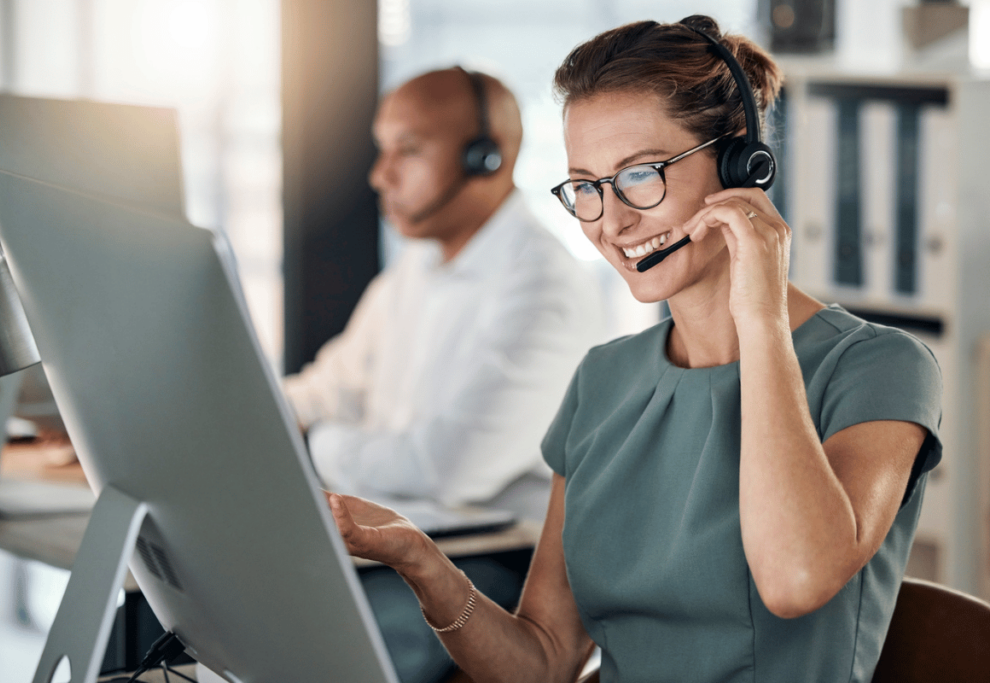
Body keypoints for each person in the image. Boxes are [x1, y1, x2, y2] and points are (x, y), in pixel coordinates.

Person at [325, 16, 943, 683]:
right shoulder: (604, 380)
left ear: (742, 163)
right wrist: (418, 557)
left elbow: (795, 578)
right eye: (586, 186)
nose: (612, 221)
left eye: (640, 175)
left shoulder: (877, 368)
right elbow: (543, 660)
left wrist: (759, 314)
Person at [283, 67, 604, 519]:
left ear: (486, 157)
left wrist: (317, 440)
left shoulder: (544, 286)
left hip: (494, 558)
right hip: (396, 528)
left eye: (408, 150)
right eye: (382, 150)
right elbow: (331, 389)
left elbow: (446, 470)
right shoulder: (417, 267)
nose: (380, 175)